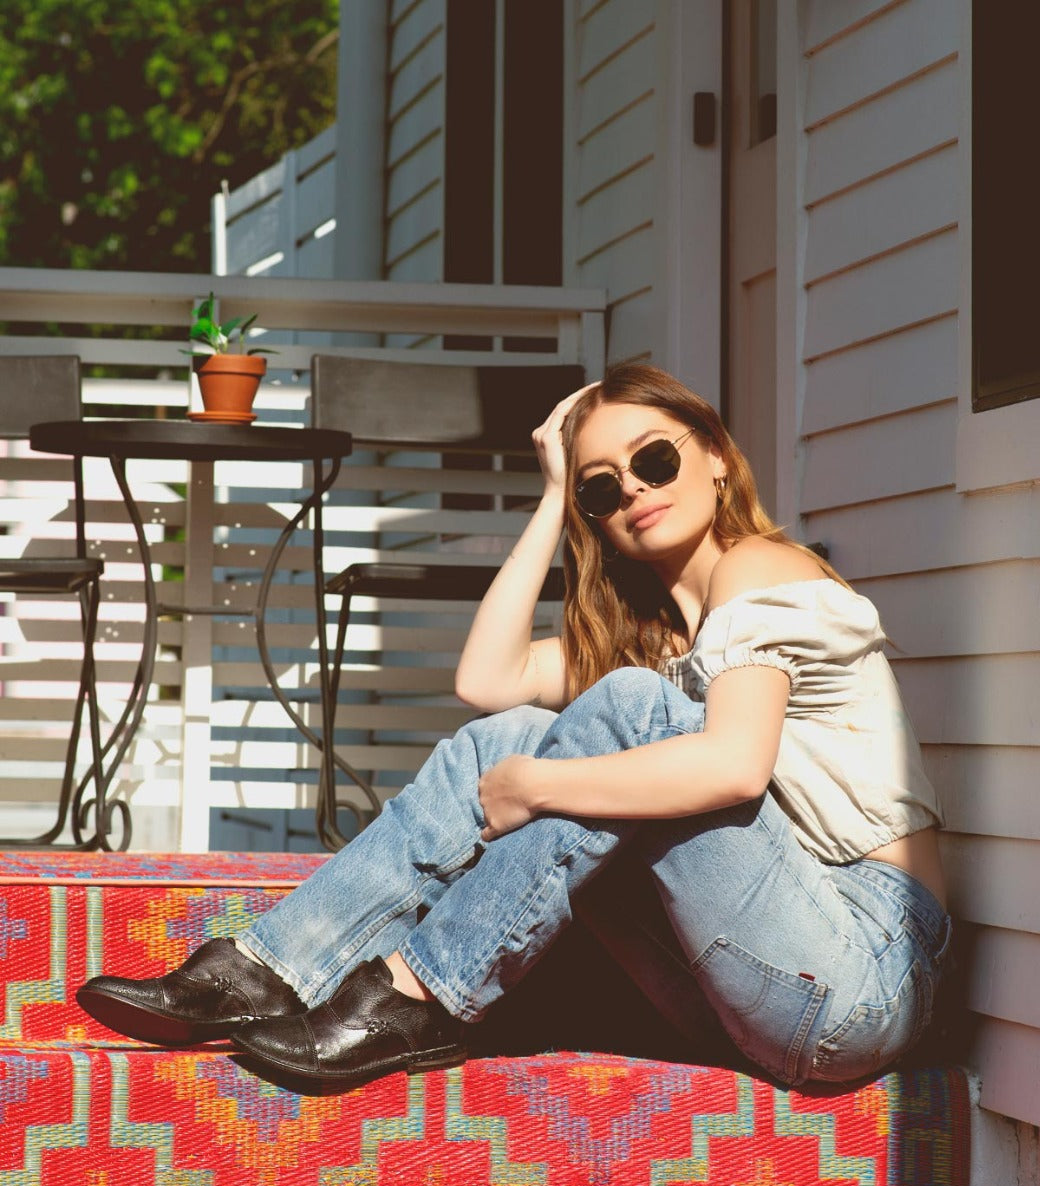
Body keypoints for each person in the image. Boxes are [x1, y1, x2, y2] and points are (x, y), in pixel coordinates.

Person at [77, 362, 949, 1092]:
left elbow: (733, 767)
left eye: (656, 459)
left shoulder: (762, 568)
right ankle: (273, 970)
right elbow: (485, 681)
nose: (636, 490)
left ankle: (422, 989)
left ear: (717, 457)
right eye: (606, 486)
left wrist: (538, 788)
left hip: (859, 974)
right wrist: (552, 501)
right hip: (746, 982)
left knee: (624, 714)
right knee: (515, 735)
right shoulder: (656, 639)